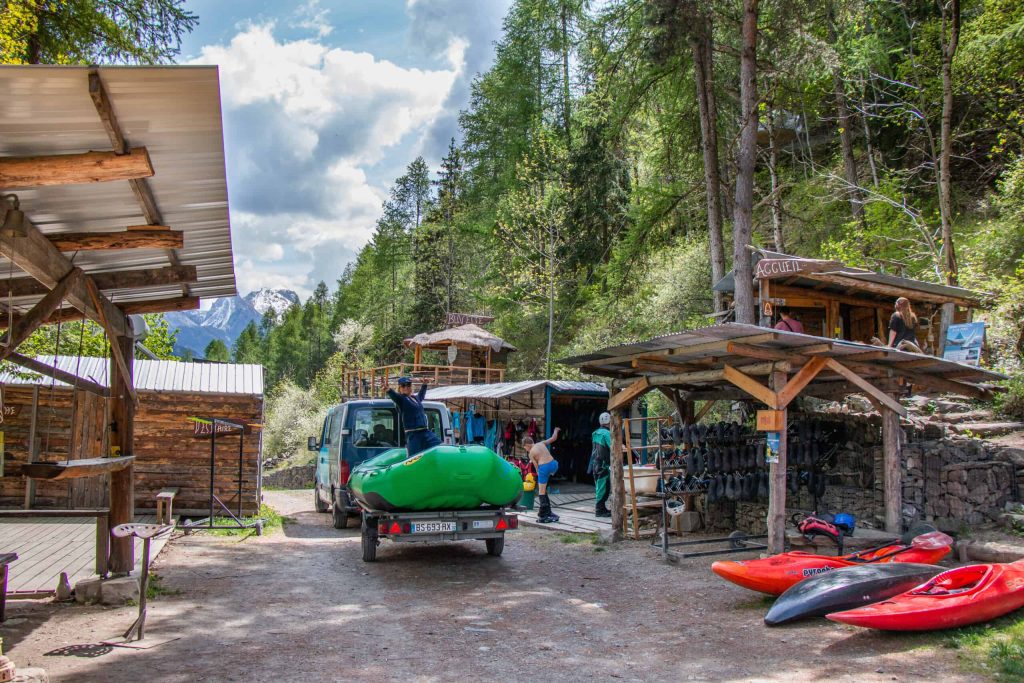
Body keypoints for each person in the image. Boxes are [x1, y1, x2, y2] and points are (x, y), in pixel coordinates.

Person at [386, 377, 441, 457]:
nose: (406, 387)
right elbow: (394, 396)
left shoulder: (415, 398)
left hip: (425, 432)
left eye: (408, 385)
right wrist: (389, 390)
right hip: (413, 434)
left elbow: (421, 395)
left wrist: (424, 384)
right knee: (414, 458)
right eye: (403, 386)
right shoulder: (401, 399)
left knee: (440, 447)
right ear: (399, 388)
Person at [525, 427, 561, 524]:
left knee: (541, 492)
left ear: (528, 445)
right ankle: (548, 512)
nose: (526, 450)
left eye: (525, 448)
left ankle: (543, 514)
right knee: (544, 489)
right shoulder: (541, 443)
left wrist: (538, 474)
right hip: (554, 465)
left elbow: (537, 467)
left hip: (544, 467)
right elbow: (553, 438)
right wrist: (556, 430)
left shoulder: (531, 453)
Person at [589, 412, 612, 518]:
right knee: (604, 487)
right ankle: (600, 510)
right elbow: (613, 446)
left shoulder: (595, 433)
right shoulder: (607, 434)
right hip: (603, 465)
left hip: (595, 463)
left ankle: (601, 508)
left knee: (599, 487)